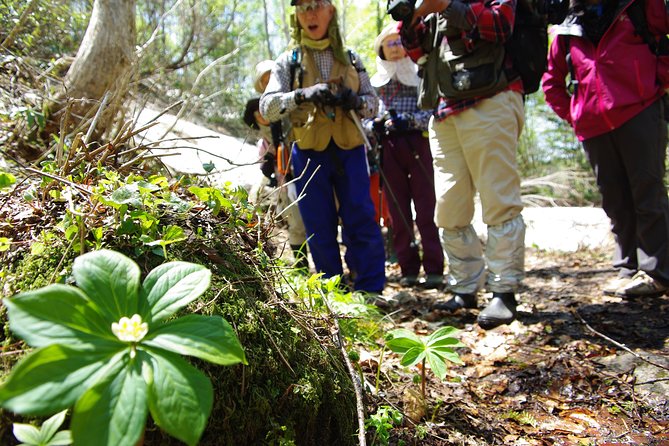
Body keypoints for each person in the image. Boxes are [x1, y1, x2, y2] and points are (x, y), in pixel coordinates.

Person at [400, 0, 526, 329]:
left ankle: (503, 291)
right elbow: (415, 51)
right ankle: (465, 287)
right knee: (449, 206)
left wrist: (445, 5)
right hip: (443, 109)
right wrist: (413, 16)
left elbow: (500, 24)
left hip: (492, 98)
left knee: (499, 199)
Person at [542, 0, 669, 297]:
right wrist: (575, 115)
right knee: (615, 200)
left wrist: (658, 81)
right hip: (593, 126)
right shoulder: (567, 25)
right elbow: (552, 82)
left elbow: (663, 39)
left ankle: (658, 272)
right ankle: (627, 269)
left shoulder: (638, 6)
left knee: (647, 193)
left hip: (639, 111)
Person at [260, 0, 386, 296]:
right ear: (297, 16)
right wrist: (302, 95)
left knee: (361, 217)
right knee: (318, 223)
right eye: (303, 8)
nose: (310, 14)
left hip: (351, 149)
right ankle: (334, 293)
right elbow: (267, 106)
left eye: (317, 5)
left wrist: (353, 100)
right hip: (307, 152)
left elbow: (373, 105)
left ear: (331, 11)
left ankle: (370, 290)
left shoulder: (352, 58)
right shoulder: (287, 61)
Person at [367, 22, 444, 289]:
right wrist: (375, 125)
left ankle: (434, 267)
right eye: (389, 44)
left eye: (399, 42)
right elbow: (367, 116)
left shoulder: (420, 74)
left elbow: (431, 111)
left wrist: (408, 121)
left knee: (426, 209)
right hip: (388, 149)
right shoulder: (376, 84)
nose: (396, 48)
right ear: (381, 50)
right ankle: (408, 268)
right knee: (397, 212)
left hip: (418, 145)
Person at [243, 96, 309, 271]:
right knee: (296, 225)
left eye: (263, 112)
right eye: (258, 115)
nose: (262, 117)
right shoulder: (264, 143)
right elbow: (264, 170)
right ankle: (302, 267)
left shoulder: (289, 128)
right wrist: (270, 160)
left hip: (308, 176)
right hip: (286, 186)